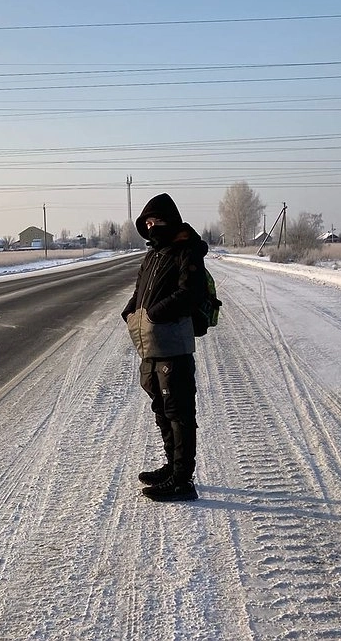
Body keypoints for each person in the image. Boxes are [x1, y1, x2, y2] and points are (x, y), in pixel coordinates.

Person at [120, 193, 209, 502]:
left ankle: (183, 480)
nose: (150, 225)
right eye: (146, 222)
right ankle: (172, 467)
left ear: (169, 221)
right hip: (150, 344)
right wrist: (131, 311)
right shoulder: (154, 254)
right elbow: (139, 291)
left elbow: (191, 293)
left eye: (155, 221)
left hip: (174, 343)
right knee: (161, 407)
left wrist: (155, 313)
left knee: (179, 411)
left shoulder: (186, 251)